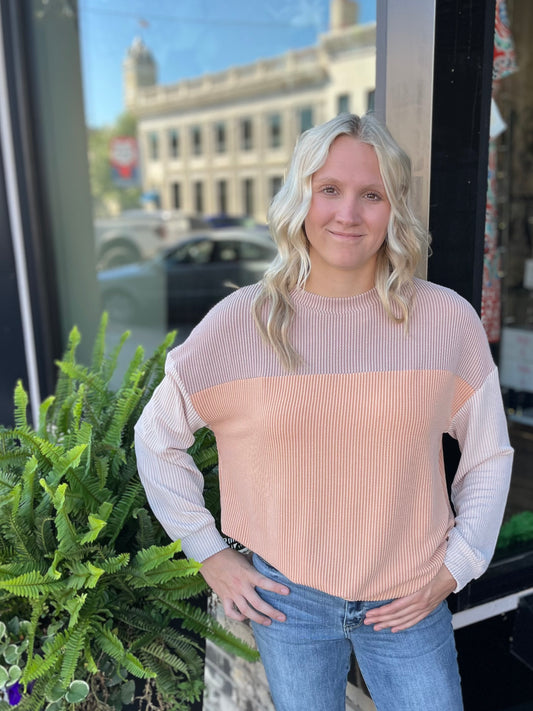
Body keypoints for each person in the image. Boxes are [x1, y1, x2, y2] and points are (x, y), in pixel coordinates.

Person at [134, 112, 513, 711]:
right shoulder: (243, 323)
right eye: (329, 189)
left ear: (395, 209)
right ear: (299, 197)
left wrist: (458, 566)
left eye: (372, 195)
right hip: (289, 601)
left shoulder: (445, 320)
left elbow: (489, 452)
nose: (348, 213)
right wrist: (210, 554)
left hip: (411, 596)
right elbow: (156, 438)